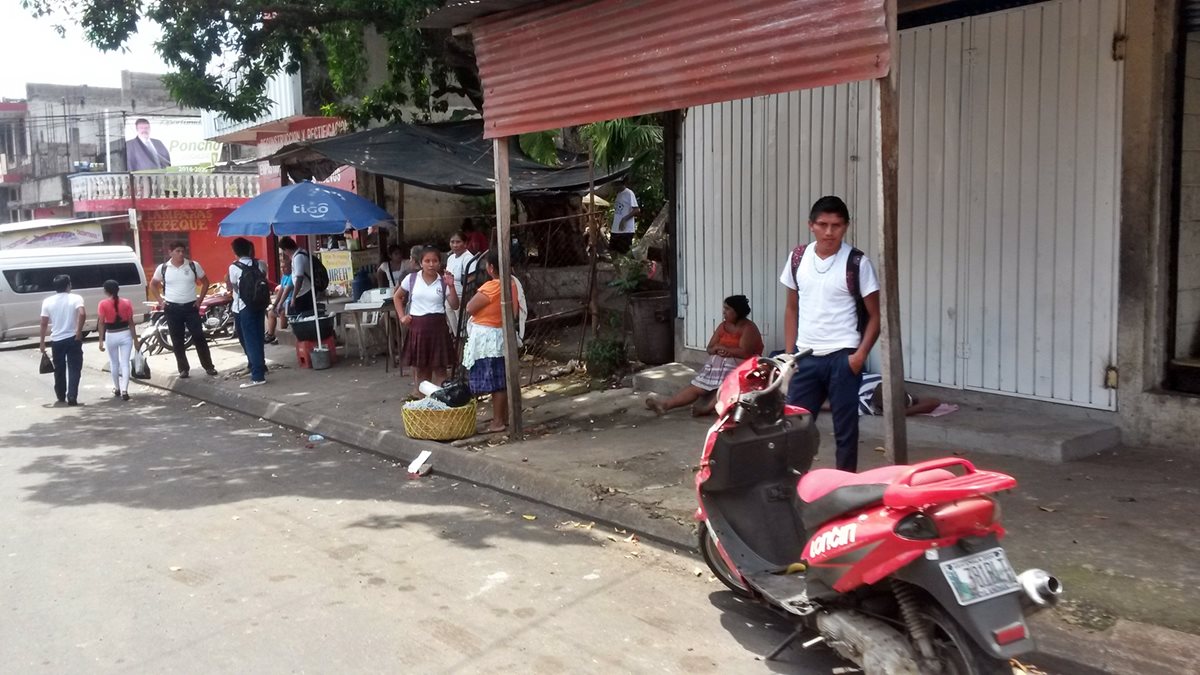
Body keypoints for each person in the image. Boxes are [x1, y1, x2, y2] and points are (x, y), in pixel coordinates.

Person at [779, 195, 881, 472]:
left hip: (843, 357)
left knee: (845, 431)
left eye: (836, 225)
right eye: (822, 224)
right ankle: (789, 487)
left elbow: (876, 316)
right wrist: (789, 355)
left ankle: (845, 488)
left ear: (846, 226)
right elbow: (791, 309)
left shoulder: (858, 263)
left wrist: (859, 356)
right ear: (810, 225)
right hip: (806, 357)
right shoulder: (798, 258)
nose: (829, 232)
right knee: (794, 426)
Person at [646, 295, 763, 416]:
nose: (724, 312)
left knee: (727, 386)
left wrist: (725, 349)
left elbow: (745, 353)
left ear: (737, 312)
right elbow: (710, 348)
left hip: (741, 366)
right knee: (697, 387)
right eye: (724, 308)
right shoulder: (723, 326)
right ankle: (665, 405)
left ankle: (706, 409)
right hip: (718, 366)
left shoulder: (748, 328)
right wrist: (717, 349)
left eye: (727, 309)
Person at [462, 250, 519, 433]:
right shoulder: (512, 283)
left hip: (489, 339)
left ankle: (498, 421)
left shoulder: (493, 286)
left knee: (496, 381)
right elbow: (515, 312)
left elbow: (470, 307)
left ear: (491, 267)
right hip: (500, 334)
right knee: (500, 378)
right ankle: (504, 417)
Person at [394, 245, 460, 397]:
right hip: (418, 329)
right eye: (427, 261)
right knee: (422, 370)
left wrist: (451, 286)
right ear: (420, 262)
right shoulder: (411, 279)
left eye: (435, 261)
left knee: (440, 369)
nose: (431, 264)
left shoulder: (443, 281)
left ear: (439, 263)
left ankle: (441, 402)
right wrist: (402, 316)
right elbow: (397, 297)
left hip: (438, 329)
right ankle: (423, 404)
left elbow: (455, 305)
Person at [150, 241, 219, 378]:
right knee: (177, 339)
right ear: (170, 252)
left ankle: (208, 366)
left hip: (191, 307)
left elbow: (205, 282)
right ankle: (183, 369)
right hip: (172, 308)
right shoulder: (163, 268)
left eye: (182, 251)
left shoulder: (193, 265)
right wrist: (161, 302)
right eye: (177, 251)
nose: (181, 254)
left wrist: (200, 300)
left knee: (199, 336)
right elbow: (153, 284)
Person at [227, 238, 269, 388]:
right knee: (257, 338)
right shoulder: (261, 264)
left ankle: (257, 376)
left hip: (243, 307)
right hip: (260, 305)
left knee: (249, 341)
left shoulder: (233, 267)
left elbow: (233, 286)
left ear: (235, 251)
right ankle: (258, 365)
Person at [39, 274, 86, 406]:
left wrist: (42, 342)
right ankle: (72, 395)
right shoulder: (76, 298)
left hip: (57, 340)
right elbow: (82, 313)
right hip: (73, 338)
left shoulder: (47, 301)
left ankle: (60, 394)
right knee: (74, 368)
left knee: (59, 368)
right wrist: (78, 331)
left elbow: (43, 323)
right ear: (68, 285)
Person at [97, 280, 139, 401]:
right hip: (125, 334)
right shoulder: (127, 302)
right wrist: (136, 339)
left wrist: (101, 340)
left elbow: (101, 323)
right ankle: (125, 390)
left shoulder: (103, 304)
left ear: (106, 291)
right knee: (125, 363)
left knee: (114, 363)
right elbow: (131, 323)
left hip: (111, 335)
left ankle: (117, 388)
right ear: (118, 289)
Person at [278, 236, 316, 316]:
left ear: (286, 249)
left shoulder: (298, 257)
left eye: (284, 251)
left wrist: (293, 297)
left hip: (304, 292)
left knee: (303, 317)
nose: (285, 254)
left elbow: (299, 278)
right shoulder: (301, 253)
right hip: (303, 292)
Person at [445, 232, 471, 335]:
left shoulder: (468, 258)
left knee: (463, 331)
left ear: (465, 244)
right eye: (452, 242)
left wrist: (466, 300)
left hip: (461, 298)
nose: (455, 245)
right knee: (455, 331)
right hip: (449, 296)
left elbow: (470, 280)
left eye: (458, 242)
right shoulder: (451, 258)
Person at [264, 254, 294, 345]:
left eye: (285, 267)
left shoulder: (292, 276)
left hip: (291, 302)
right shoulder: (284, 277)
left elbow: (286, 291)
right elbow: (281, 291)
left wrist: (280, 304)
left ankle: (282, 334)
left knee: (282, 312)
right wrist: (275, 304)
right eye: (281, 268)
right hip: (284, 302)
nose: (282, 270)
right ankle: (270, 334)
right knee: (271, 313)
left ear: (290, 267)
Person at [609, 177, 641, 255]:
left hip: (626, 230)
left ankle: (624, 267)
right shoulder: (619, 194)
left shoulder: (629, 193)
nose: (613, 187)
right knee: (612, 252)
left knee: (623, 254)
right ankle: (616, 267)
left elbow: (637, 210)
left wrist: (624, 219)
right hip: (616, 229)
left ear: (619, 184)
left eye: (614, 185)